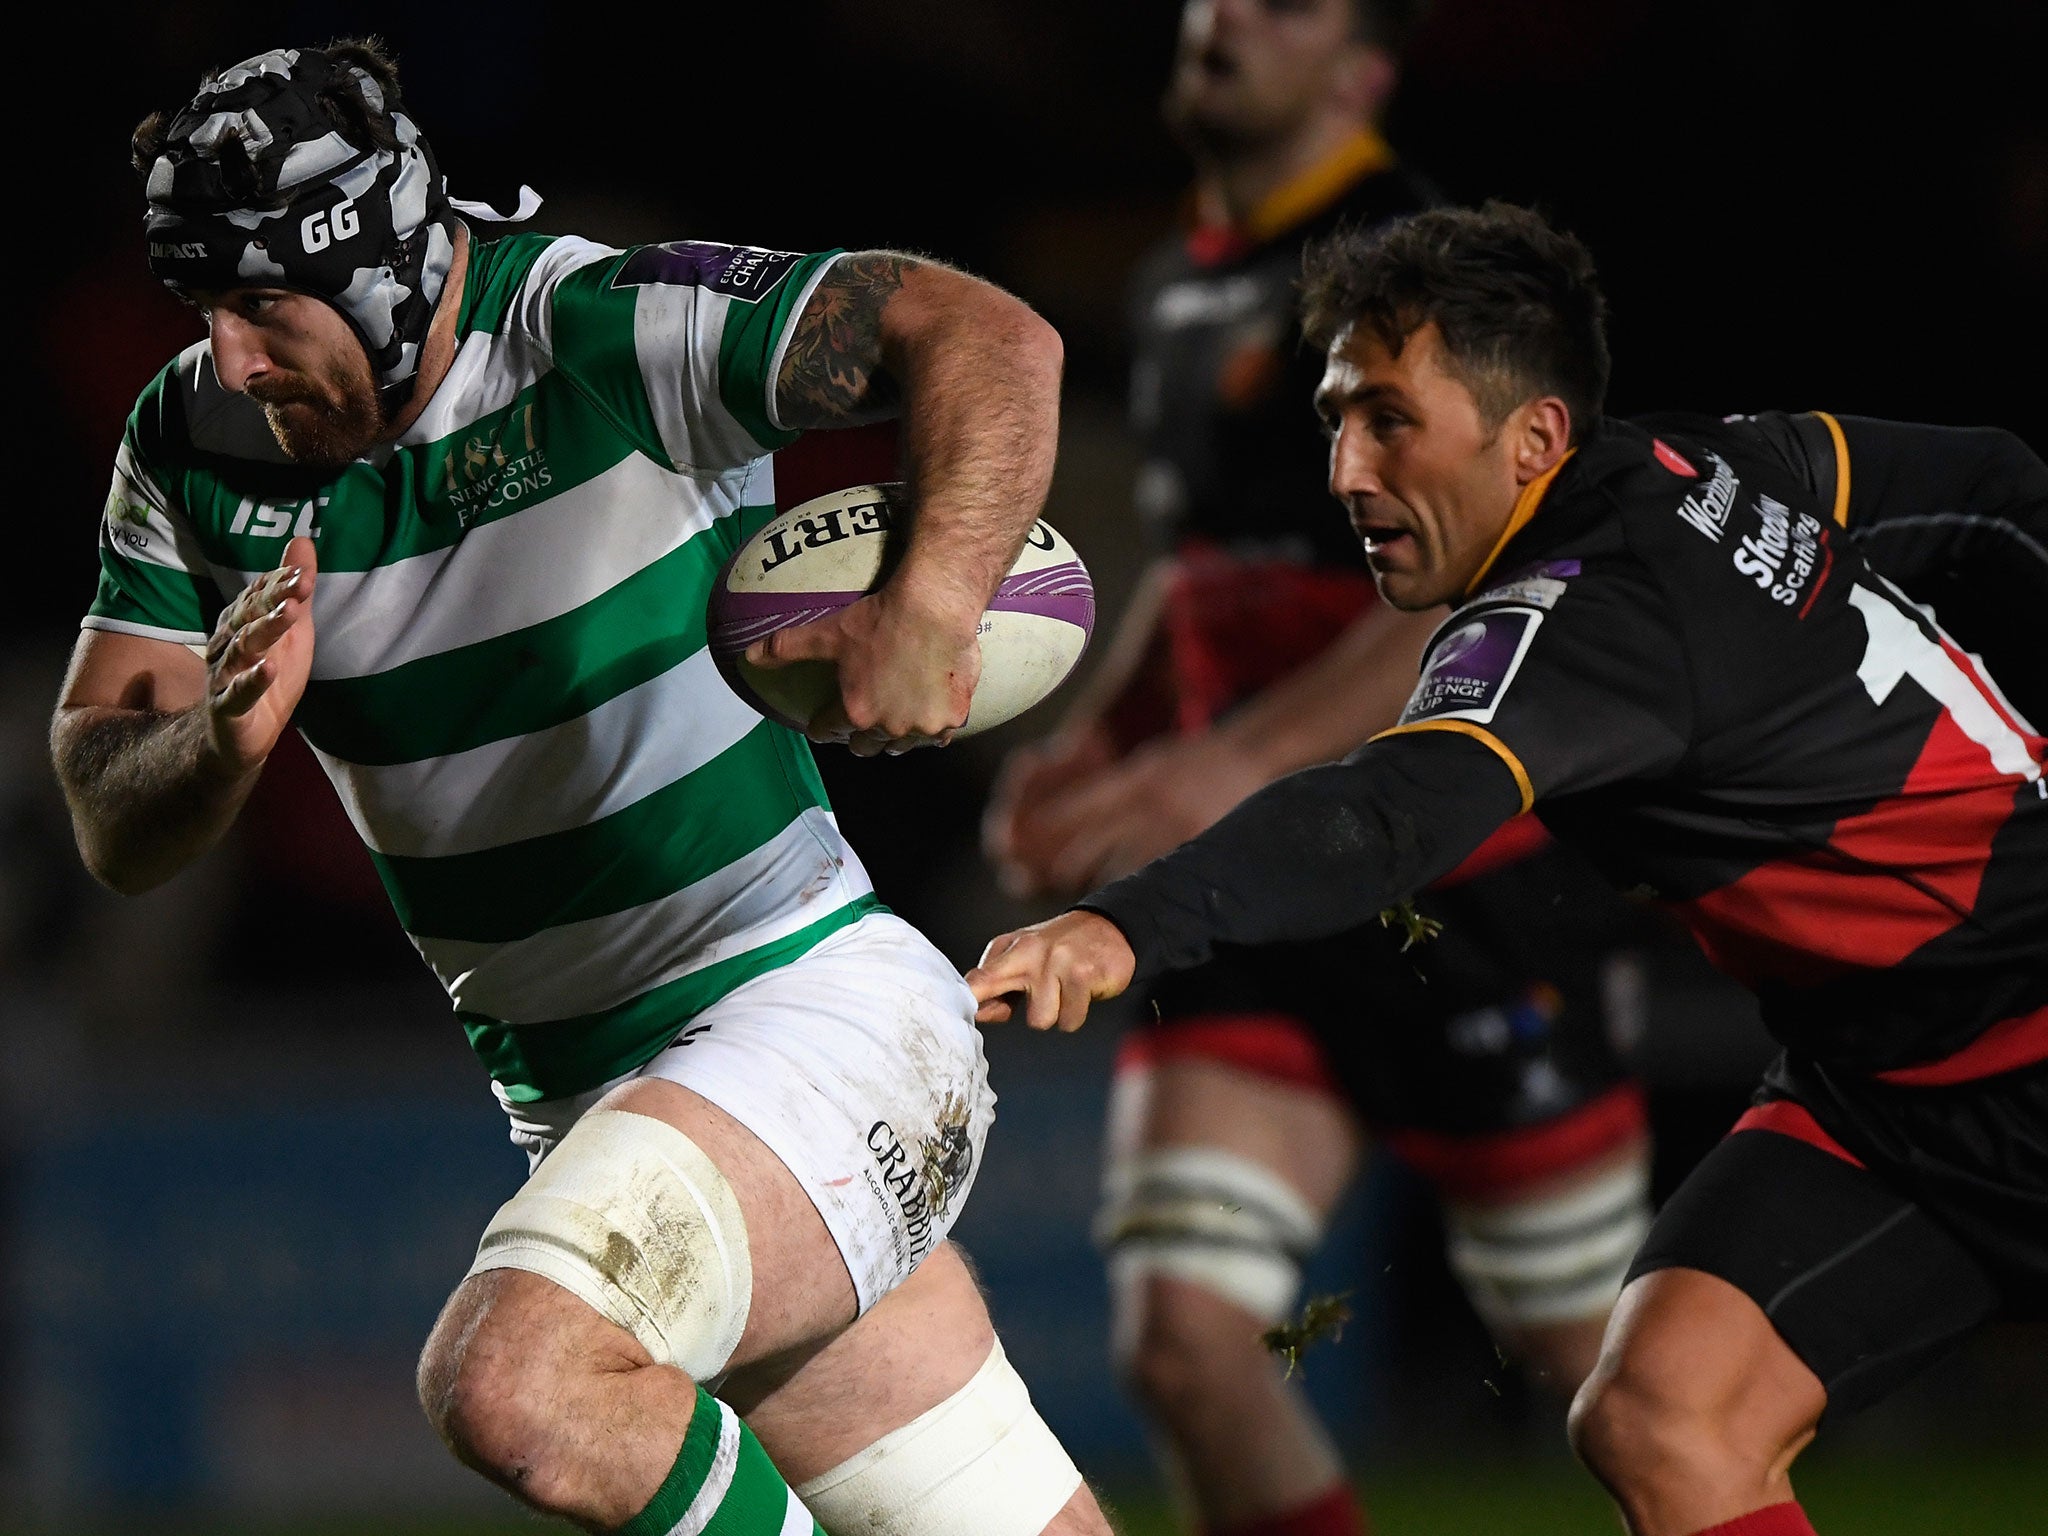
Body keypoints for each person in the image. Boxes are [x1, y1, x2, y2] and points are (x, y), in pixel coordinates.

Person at [51, 39, 1115, 1536]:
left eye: (263, 307)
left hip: (809, 1012)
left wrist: (933, 601)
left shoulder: (602, 330)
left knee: (518, 1386)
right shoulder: (190, 444)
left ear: (386, 270)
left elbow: (989, 336)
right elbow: (110, 813)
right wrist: (212, 745)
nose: (230, 356)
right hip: (612, 1108)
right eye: (203, 311)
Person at [968, 200, 2047, 1536]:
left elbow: (1385, 816)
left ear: (1532, 437)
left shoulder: (1580, 615)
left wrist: (1129, 925)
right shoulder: (1711, 467)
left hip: (2023, 1033)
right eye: (1336, 421)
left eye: (1392, 422)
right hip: (1887, 1091)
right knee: (1661, 1417)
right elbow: (1994, 492)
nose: (1349, 473)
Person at [983, 8, 1666, 1532]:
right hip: (1257, 897)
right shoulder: (1179, 280)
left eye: (1282, 5)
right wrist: (1097, 740)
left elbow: (1467, 578)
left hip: (1460, 885)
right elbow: (1206, 568)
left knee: (1617, 1386)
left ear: (1362, 74)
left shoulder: (1416, 278)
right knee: (1184, 1345)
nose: (1222, 18)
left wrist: (1206, 771)